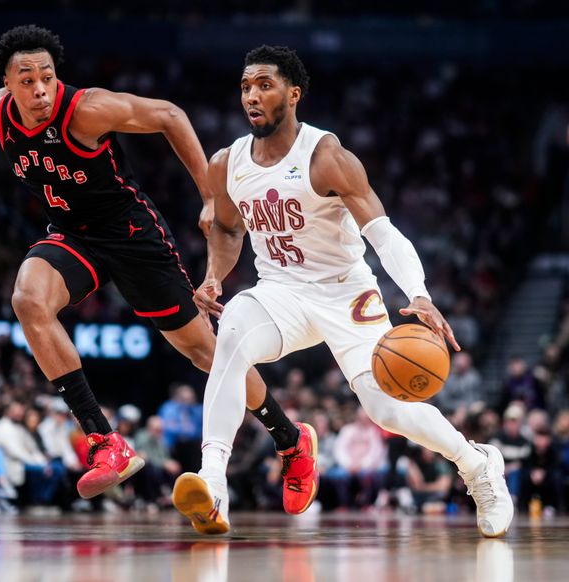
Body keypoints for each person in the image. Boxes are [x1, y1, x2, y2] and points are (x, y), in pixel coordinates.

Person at [178, 45, 513, 537]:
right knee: (229, 333)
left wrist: (418, 292)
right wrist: (213, 275)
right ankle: (213, 483)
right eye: (246, 86)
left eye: (264, 85)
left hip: (345, 294)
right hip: (281, 292)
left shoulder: (327, 157)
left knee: (386, 409)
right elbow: (228, 231)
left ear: (293, 95)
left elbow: (382, 232)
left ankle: (478, 464)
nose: (251, 95)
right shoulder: (227, 163)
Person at [0, 25, 313, 505]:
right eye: (26, 79)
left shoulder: (88, 109)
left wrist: (210, 195)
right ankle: (104, 442)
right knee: (28, 299)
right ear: (8, 85)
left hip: (131, 234)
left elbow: (170, 115)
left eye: (48, 77)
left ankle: (290, 439)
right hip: (73, 235)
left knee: (205, 352)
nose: (40, 89)